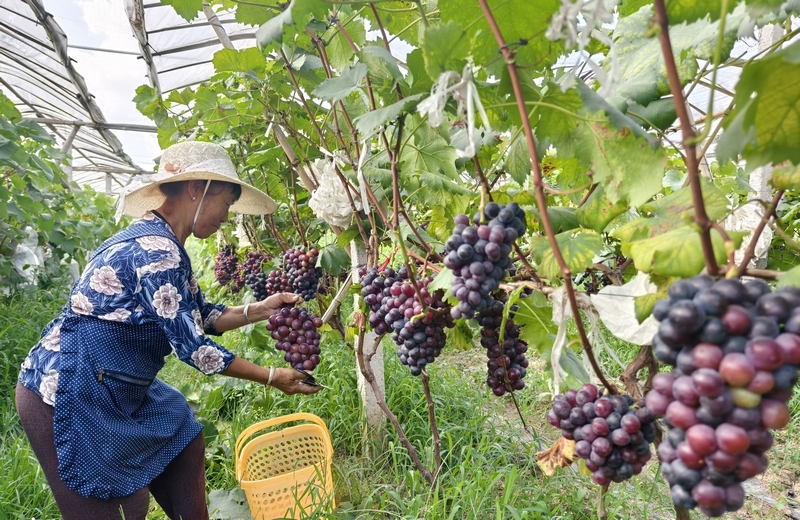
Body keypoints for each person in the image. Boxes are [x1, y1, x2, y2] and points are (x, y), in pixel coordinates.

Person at [15, 141, 320, 520]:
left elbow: (201, 315)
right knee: (115, 509)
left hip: (111, 376)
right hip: (68, 388)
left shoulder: (164, 241)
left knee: (183, 436)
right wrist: (272, 376)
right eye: (226, 201)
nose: (226, 216)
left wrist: (260, 309)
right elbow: (195, 349)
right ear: (197, 189)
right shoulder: (156, 252)